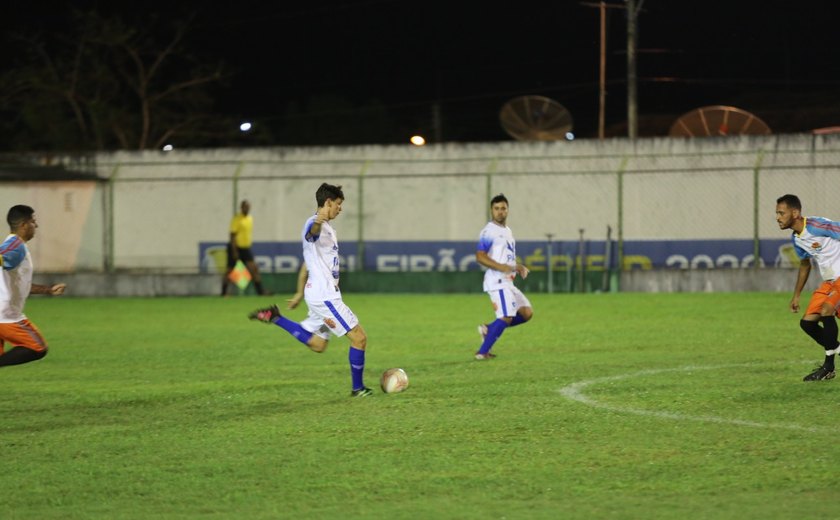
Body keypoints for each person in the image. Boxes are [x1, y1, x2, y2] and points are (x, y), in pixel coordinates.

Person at [248, 183, 373, 397]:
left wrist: (298, 293)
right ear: (327, 203)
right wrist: (317, 221)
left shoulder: (329, 230)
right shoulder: (314, 224)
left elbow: (307, 263)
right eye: (338, 204)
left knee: (318, 344)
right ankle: (357, 389)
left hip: (318, 294)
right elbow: (311, 232)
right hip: (325, 297)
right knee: (359, 338)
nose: (340, 209)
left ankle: (276, 318)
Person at [776, 193, 840, 381]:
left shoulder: (817, 225)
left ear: (795, 213)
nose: (778, 218)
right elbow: (805, 265)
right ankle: (834, 354)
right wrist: (796, 296)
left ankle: (828, 367)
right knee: (808, 323)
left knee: (827, 310)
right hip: (829, 282)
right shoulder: (797, 239)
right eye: (777, 213)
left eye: (781, 213)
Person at [0, 205, 66, 367]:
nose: (36, 226)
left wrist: (47, 290)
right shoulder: (15, 246)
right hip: (6, 316)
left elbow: (20, 284)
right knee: (37, 347)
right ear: (23, 225)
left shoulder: (16, 246)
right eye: (33, 222)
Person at [474, 193, 533, 360]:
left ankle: (489, 329)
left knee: (526, 313)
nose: (500, 211)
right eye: (496, 208)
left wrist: (517, 267)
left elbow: (505, 257)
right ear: (492, 211)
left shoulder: (507, 231)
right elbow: (480, 256)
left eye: (503, 208)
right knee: (506, 316)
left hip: (508, 282)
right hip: (497, 281)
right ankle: (482, 352)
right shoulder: (488, 231)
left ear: (508, 210)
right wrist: (502, 267)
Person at [222, 199, 269, 296]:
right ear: (241, 207)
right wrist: (234, 251)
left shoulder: (250, 218)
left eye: (248, 207)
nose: (247, 208)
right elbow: (232, 235)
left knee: (254, 269)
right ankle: (224, 292)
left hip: (246, 248)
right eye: (245, 207)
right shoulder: (237, 219)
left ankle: (260, 292)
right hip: (235, 248)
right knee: (230, 271)